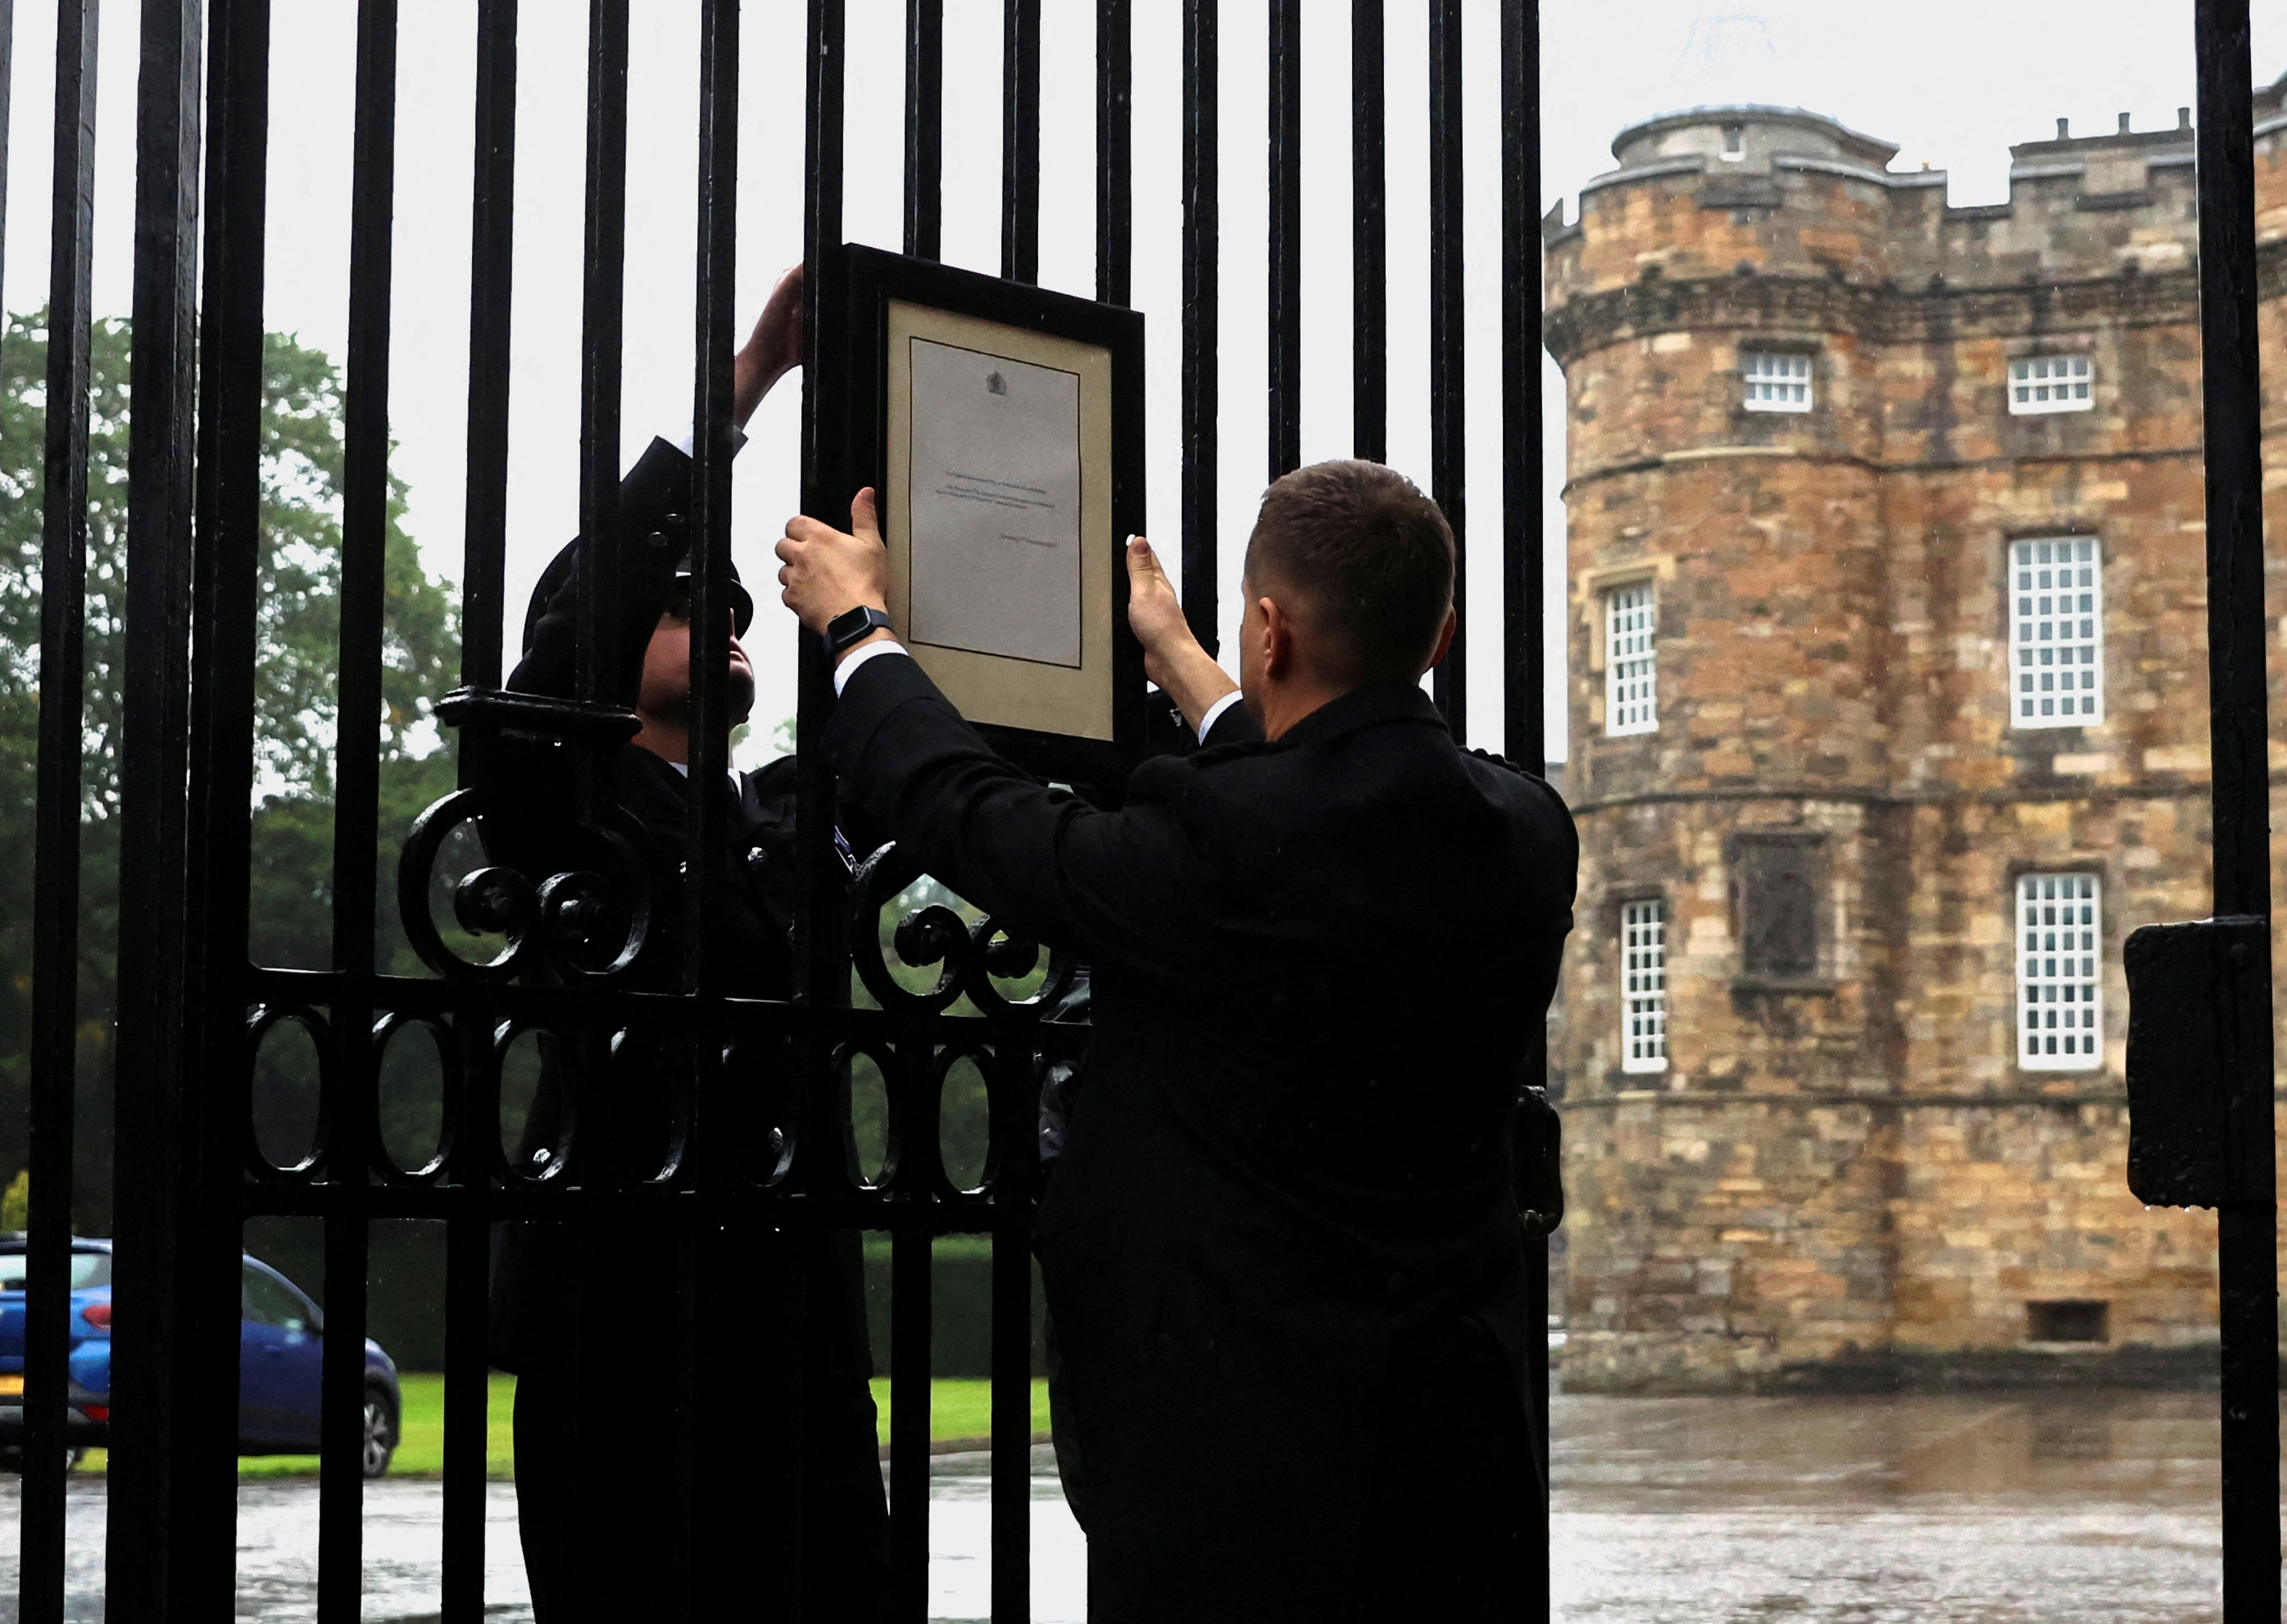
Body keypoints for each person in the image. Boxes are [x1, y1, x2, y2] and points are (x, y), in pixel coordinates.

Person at [776, 458, 1575, 1621]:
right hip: (1451, 1458)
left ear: (1271, 625)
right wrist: (1197, 670)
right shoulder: (1523, 829)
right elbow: (1331, 803)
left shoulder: (1226, 839)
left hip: (1238, 1470)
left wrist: (859, 630)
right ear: (1440, 634)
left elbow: (973, 813)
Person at [496, 266, 889, 1621]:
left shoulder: (786, 815)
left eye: (735, 606)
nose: (726, 616)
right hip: (626, 1324)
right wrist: (736, 392)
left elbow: (936, 730)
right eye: (682, 604)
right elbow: (561, 636)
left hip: (796, 1334)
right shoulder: (567, 806)